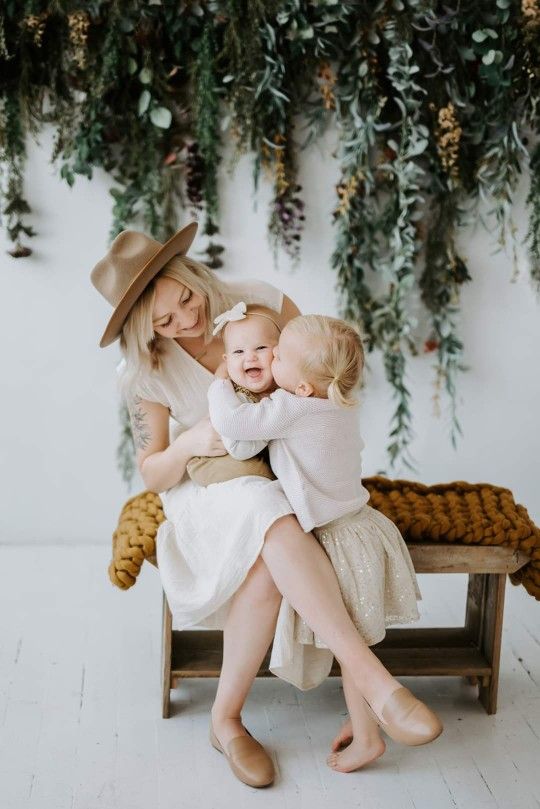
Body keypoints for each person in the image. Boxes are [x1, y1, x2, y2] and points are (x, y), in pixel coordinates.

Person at [91, 221, 441, 788]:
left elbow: (318, 379)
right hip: (206, 485)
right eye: (165, 320)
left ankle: (225, 720)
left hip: (286, 470)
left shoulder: (259, 301)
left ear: (191, 274)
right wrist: (187, 443)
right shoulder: (145, 372)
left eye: (186, 298)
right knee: (261, 507)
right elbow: (153, 472)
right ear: (143, 329)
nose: (188, 320)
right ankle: (377, 684)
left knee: (269, 554)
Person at [208, 310, 442, 772]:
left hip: (335, 536)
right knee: (353, 635)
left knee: (348, 635)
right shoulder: (334, 402)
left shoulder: (292, 408)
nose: (266, 358)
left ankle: (369, 734)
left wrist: (219, 382)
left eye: (277, 354)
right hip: (362, 526)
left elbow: (235, 432)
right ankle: (369, 726)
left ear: (299, 385)